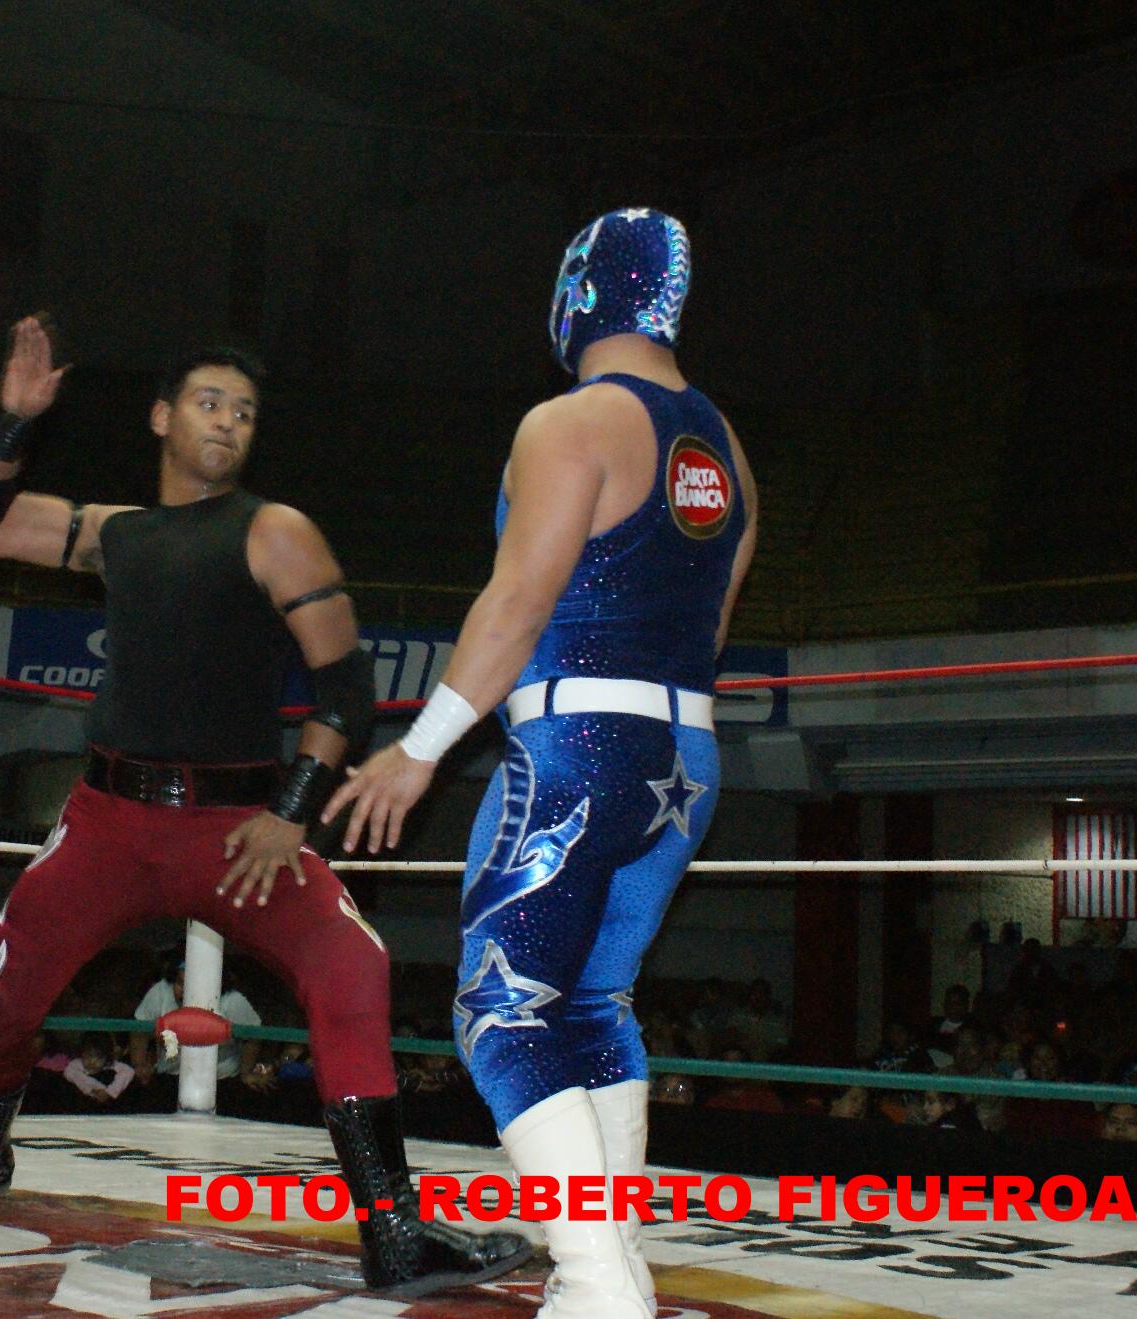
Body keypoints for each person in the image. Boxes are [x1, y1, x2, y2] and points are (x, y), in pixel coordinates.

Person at [0, 324, 527, 1295]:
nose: (227, 421)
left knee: (353, 964)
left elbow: (345, 689)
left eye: (245, 411)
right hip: (108, 819)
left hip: (237, 830)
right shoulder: (118, 533)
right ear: (162, 417)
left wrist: (293, 810)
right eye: (209, 402)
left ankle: (394, 1227)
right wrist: (14, 420)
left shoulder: (274, 531)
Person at [326, 208, 755, 1319]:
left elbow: (518, 600)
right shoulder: (724, 448)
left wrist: (419, 750)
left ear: (583, 289)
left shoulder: (572, 421)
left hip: (580, 744)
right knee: (595, 999)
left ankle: (596, 1279)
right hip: (687, 754)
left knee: (501, 1006)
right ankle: (619, 1263)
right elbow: (710, 627)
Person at [128, 958, 264, 1086]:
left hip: (222, 1078)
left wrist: (246, 1073)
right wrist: (139, 1065)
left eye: (194, 987)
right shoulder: (161, 991)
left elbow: (253, 1035)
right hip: (171, 1075)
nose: (185, 991)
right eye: (180, 983)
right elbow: (139, 1027)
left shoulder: (233, 1000)